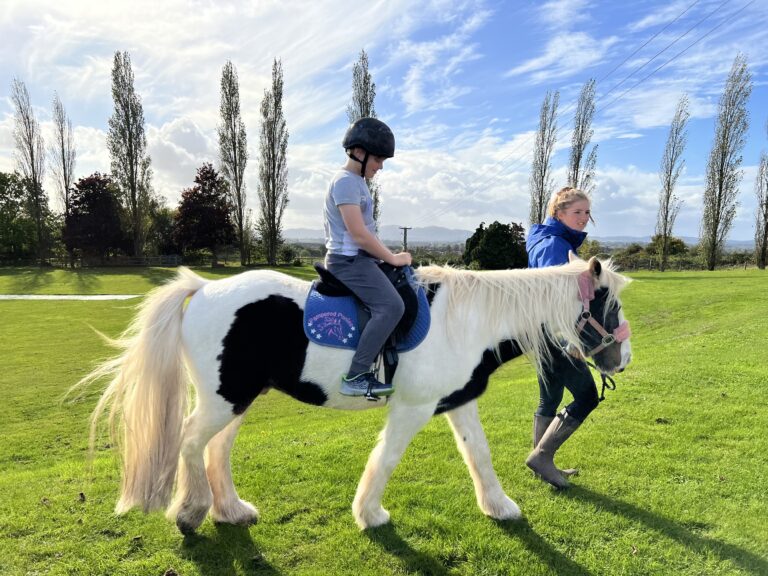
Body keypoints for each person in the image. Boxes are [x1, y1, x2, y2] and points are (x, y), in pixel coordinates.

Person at [323, 118, 412, 398]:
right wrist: (393, 258)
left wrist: (386, 257)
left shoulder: (357, 182)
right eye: (377, 158)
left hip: (360, 259)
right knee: (391, 307)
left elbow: (368, 234)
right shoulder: (345, 183)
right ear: (358, 153)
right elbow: (359, 235)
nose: (380, 165)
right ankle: (357, 375)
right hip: (347, 262)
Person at [524, 186, 597, 488]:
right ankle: (541, 458)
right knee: (587, 396)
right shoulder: (554, 244)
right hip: (552, 334)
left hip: (537, 331)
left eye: (587, 212)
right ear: (559, 213)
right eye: (577, 212)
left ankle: (543, 462)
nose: (584, 218)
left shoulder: (550, 239)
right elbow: (557, 297)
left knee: (550, 397)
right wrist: (572, 340)